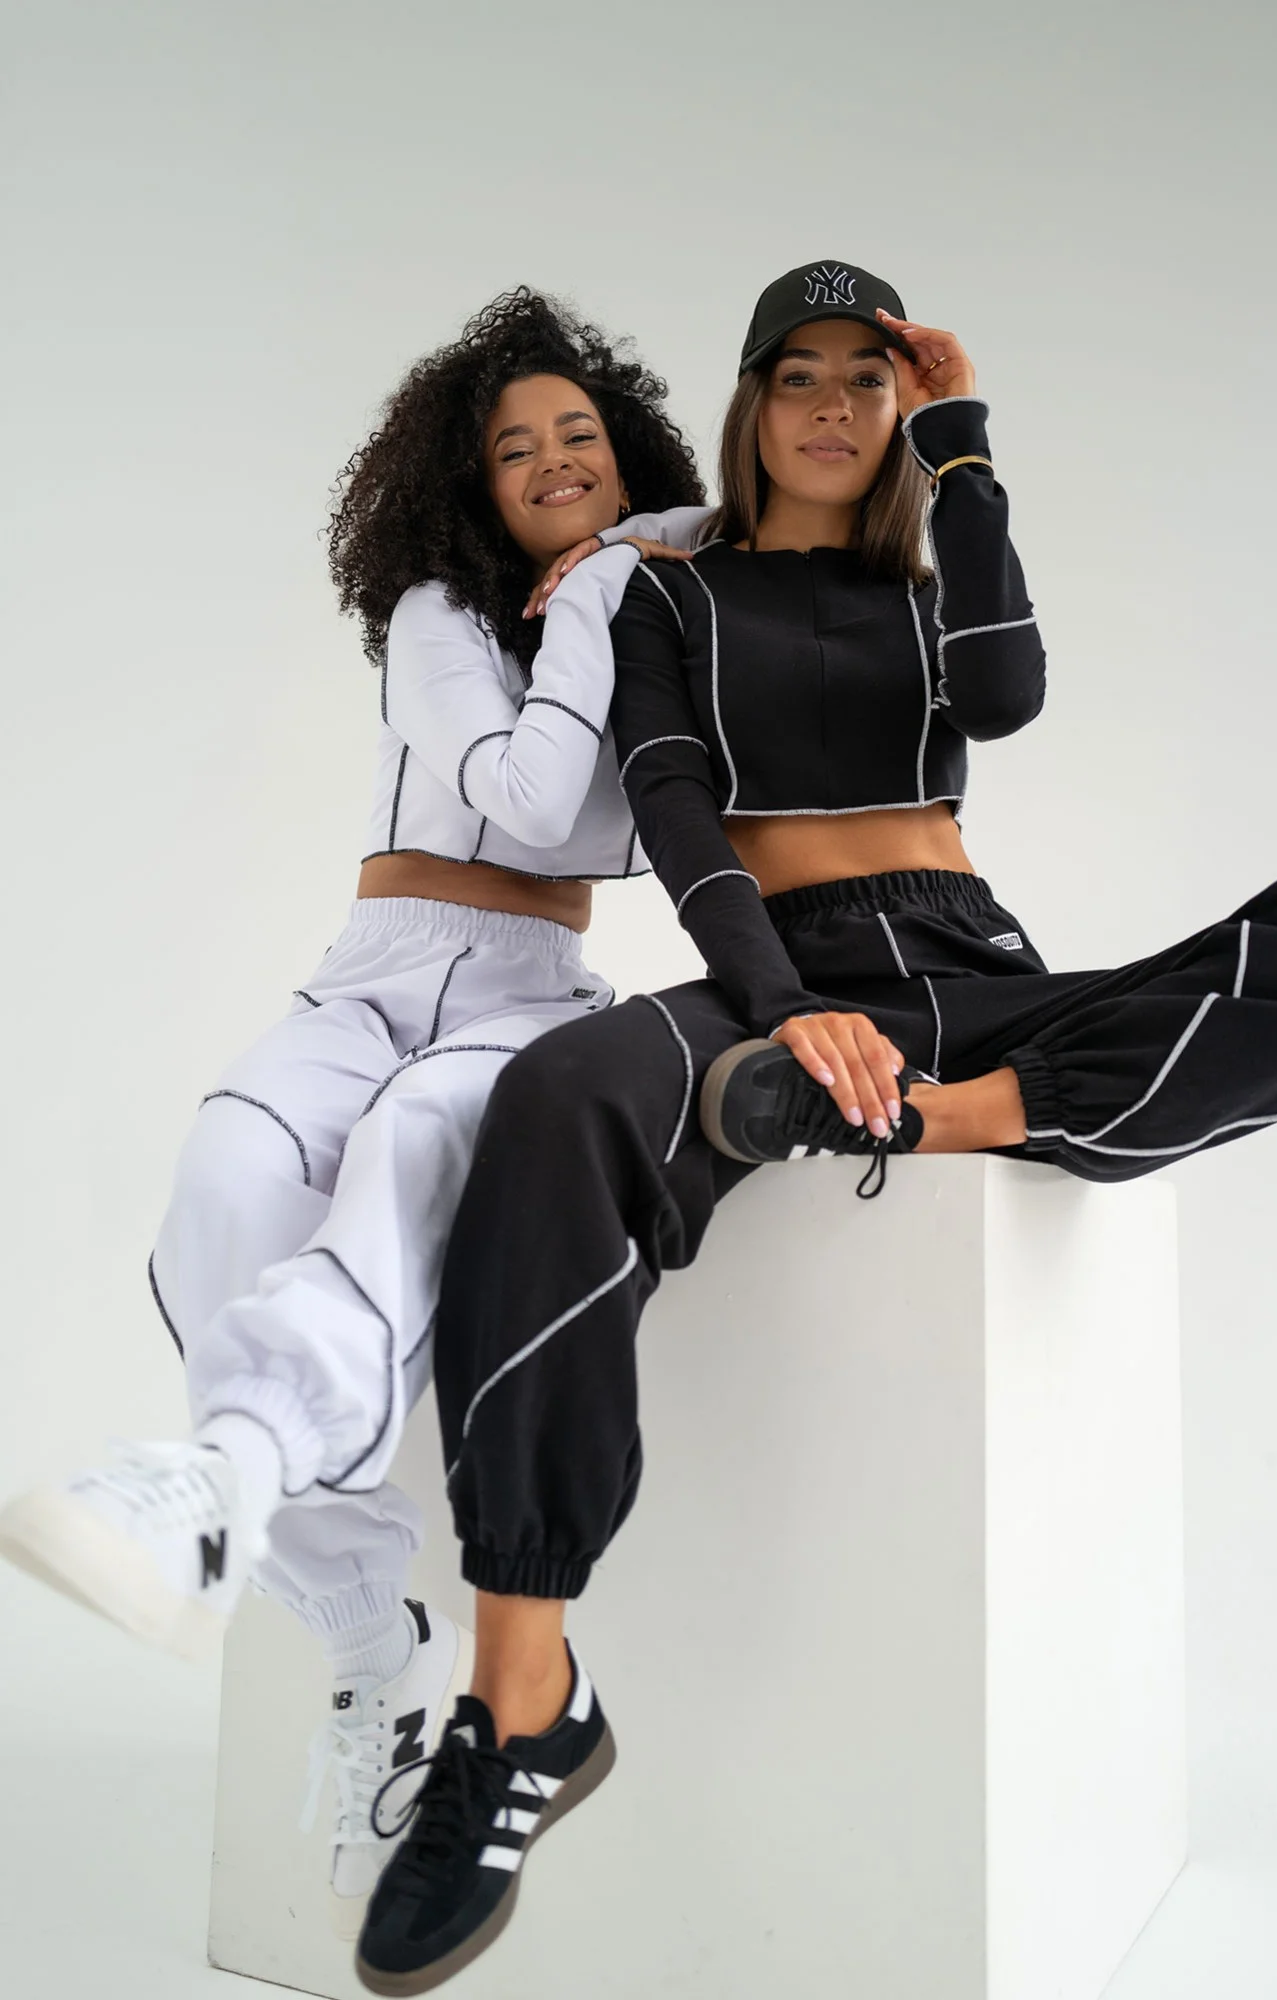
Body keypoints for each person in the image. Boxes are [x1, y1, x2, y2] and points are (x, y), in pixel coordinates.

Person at [349, 261, 1277, 1996]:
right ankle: (522, 1695)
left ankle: (959, 1116)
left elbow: (1005, 695)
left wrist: (961, 440)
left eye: (868, 379)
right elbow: (678, 817)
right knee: (561, 1094)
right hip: (778, 978)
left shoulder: (930, 594)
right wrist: (779, 1005)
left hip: (966, 973)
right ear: (749, 404)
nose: (834, 407)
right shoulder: (671, 594)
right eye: (800, 376)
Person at [0, 287, 710, 1936]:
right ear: (470, 485)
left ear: (628, 458)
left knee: (412, 1152)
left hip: (530, 993)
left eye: (580, 438)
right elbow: (515, 785)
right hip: (371, 973)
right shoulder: (434, 615)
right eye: (514, 448)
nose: (550, 462)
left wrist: (628, 571)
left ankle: (220, 1477)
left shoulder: (652, 623)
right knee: (228, 1180)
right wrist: (620, 573)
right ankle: (362, 1637)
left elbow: (568, 787)